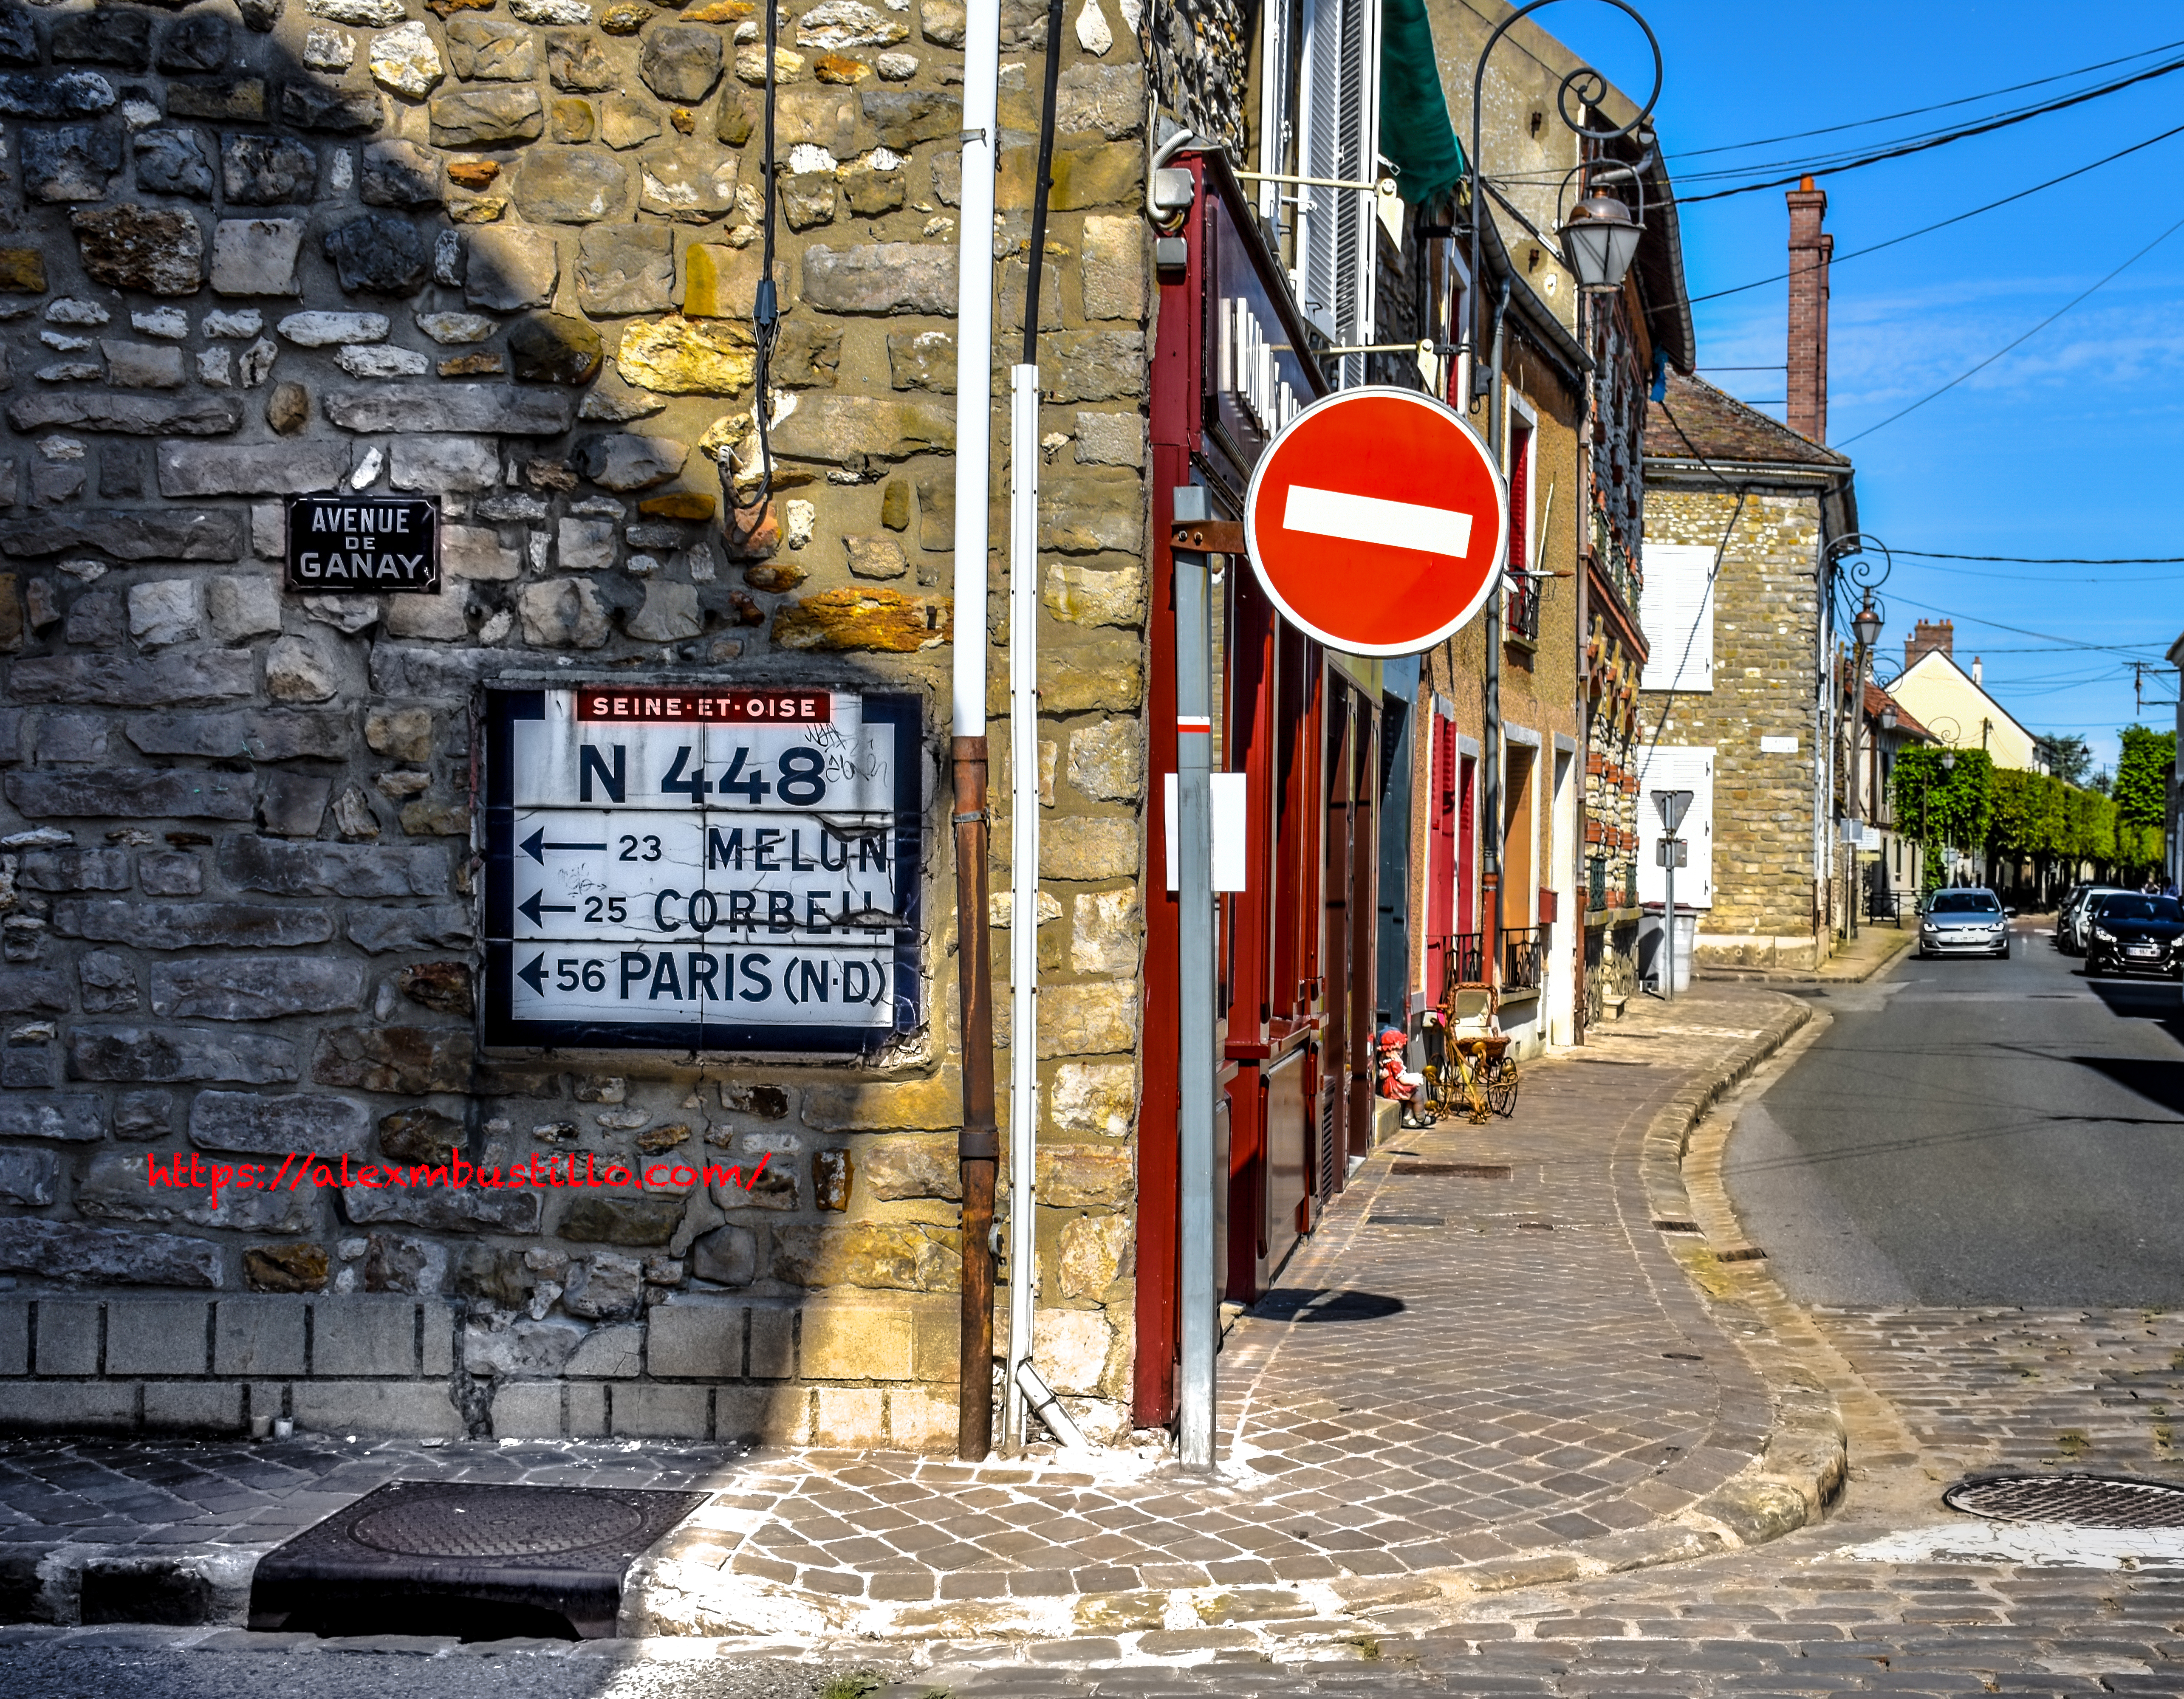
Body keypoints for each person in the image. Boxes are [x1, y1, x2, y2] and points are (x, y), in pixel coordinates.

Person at [1376, 1028, 1430, 1129]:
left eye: (1401, 1049)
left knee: (1412, 1095)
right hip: (1394, 1089)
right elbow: (1403, 1079)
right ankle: (1421, 1117)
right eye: (1398, 1050)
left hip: (1391, 1087)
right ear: (1389, 1050)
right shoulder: (1394, 1064)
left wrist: (1383, 1075)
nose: (1401, 1052)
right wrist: (1415, 1079)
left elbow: (1382, 1074)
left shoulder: (1388, 1061)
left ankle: (1408, 1118)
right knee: (1418, 1097)